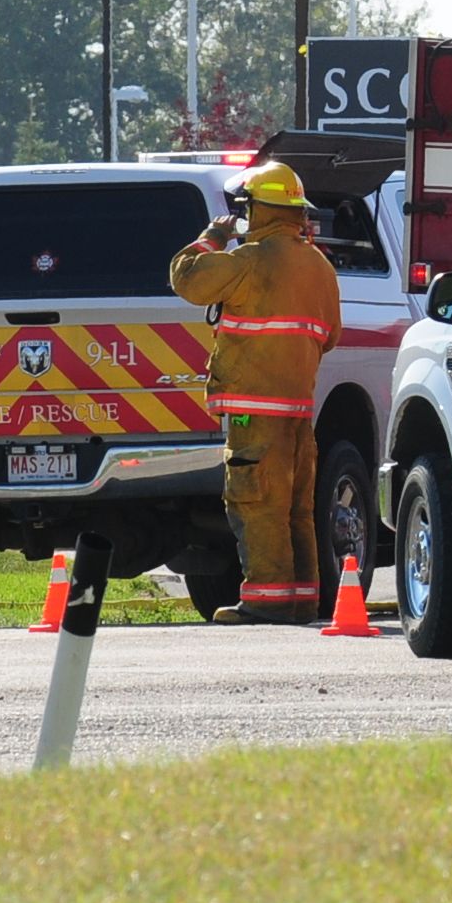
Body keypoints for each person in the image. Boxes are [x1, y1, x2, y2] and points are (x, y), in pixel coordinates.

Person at [170, 161, 340, 623]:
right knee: (295, 506)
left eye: (245, 206)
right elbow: (331, 335)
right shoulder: (319, 266)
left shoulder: (251, 259)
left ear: (258, 210)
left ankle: (265, 601)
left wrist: (212, 236)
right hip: (298, 410)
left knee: (256, 501)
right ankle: (303, 596)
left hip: (252, 410)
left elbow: (188, 279)